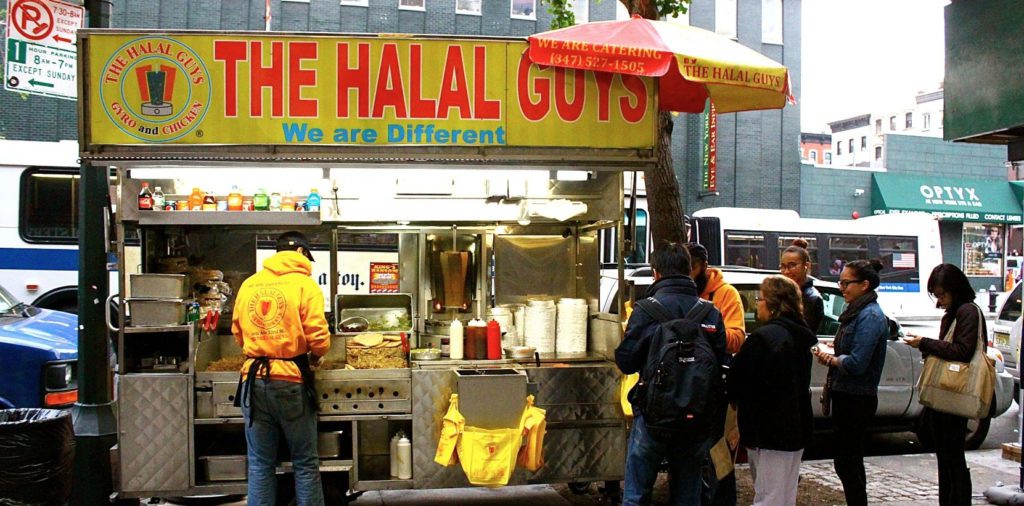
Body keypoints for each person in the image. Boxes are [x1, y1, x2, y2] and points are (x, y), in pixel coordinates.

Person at [615, 242, 728, 506]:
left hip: (654, 416)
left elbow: (626, 362)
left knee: (636, 495)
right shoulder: (710, 312)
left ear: (656, 273)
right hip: (696, 418)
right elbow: (723, 365)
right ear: (690, 271)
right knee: (688, 496)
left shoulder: (645, 310)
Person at [232, 231, 331, 506]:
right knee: (305, 463)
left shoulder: (250, 284)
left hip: (253, 381)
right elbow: (319, 338)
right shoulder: (304, 285)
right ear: (300, 253)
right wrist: (316, 356)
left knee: (260, 464)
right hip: (290, 380)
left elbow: (237, 332)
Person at [729, 275, 817, 506]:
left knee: (769, 496)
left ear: (773, 303)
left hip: (767, 430)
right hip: (794, 426)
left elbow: (738, 379)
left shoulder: (765, 338)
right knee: (784, 494)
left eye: (760, 298)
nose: (757, 303)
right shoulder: (799, 335)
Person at [903, 264, 985, 505]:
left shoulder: (967, 311)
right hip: (945, 395)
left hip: (955, 394)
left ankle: (956, 499)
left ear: (955, 289)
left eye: (942, 295)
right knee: (947, 455)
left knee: (952, 455)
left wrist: (925, 344)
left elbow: (962, 350)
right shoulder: (956, 311)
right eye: (937, 295)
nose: (940, 300)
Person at [813, 259, 889, 506]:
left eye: (846, 283)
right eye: (841, 282)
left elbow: (857, 363)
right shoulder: (856, 312)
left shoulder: (870, 316)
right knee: (847, 461)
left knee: (848, 461)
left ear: (864, 285)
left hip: (857, 397)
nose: (842, 287)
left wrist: (832, 359)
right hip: (845, 393)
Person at [685, 242, 745, 506]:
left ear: (703, 267)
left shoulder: (726, 294)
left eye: (692, 268)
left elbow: (737, 337)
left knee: (718, 453)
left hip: (716, 387)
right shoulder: (682, 292)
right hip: (687, 384)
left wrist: (707, 329)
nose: (688, 275)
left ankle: (722, 501)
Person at [780, 239, 825, 334]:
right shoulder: (784, 293)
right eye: (783, 266)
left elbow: (803, 335)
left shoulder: (812, 298)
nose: (786, 271)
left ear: (806, 266)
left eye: (792, 265)